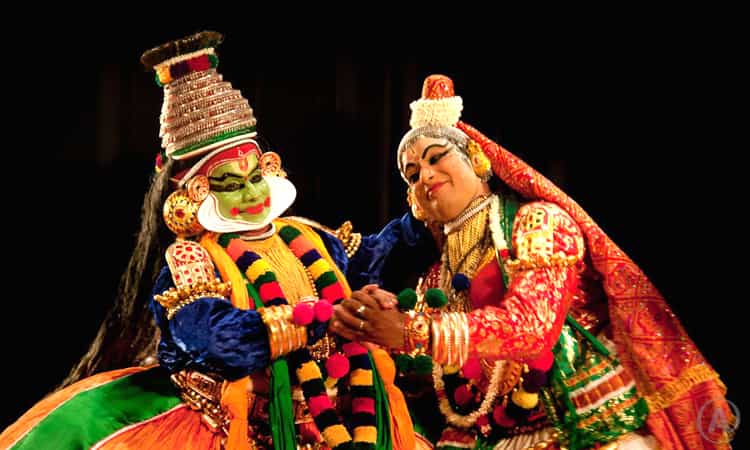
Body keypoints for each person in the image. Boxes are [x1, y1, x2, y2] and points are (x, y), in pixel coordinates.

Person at [0, 31, 415, 450]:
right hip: (229, 424)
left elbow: (384, 254)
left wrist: (428, 207)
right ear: (198, 192)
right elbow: (214, 338)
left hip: (327, 417)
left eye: (255, 176)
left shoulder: (310, 239)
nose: (253, 194)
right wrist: (318, 319)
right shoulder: (191, 258)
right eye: (233, 184)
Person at [333, 75, 733, 450]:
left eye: (438, 158)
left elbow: (530, 329)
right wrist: (370, 323)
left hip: (583, 426)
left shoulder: (539, 222)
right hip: (491, 435)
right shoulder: (435, 279)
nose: (426, 175)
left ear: (477, 159)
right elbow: (432, 371)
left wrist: (409, 331)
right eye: (412, 173)